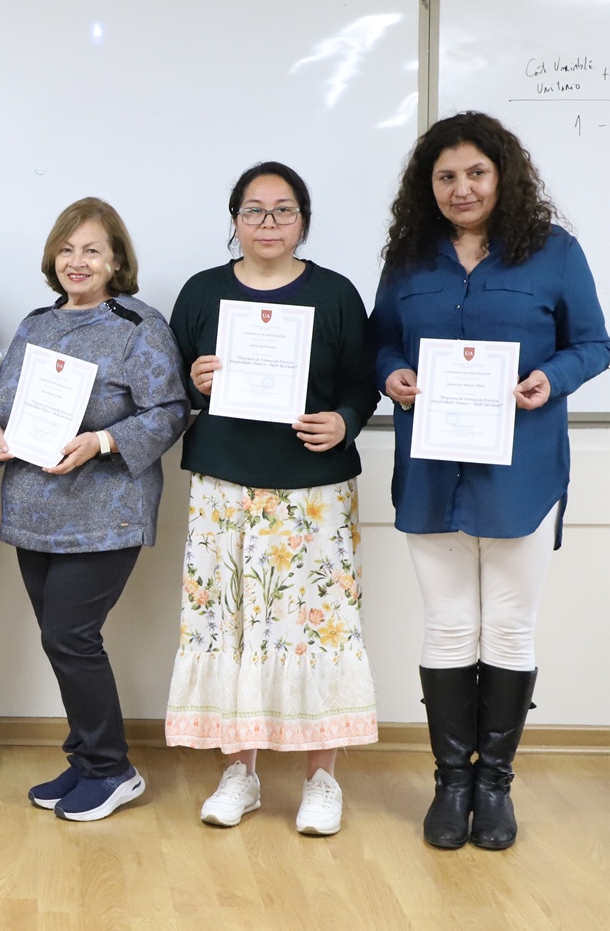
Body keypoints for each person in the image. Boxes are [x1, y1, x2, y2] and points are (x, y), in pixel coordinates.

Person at [372, 111, 609, 851]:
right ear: (428, 186)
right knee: (447, 624)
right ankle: (450, 782)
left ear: (502, 176)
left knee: (507, 624)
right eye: (445, 176)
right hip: (432, 466)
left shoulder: (554, 253)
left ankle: (494, 786)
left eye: (476, 172)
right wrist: (392, 375)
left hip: (524, 467)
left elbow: (593, 344)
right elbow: (383, 340)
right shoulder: (410, 259)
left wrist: (550, 377)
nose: (461, 187)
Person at [163, 161, 380, 837]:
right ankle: (241, 772)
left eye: (283, 210)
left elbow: (361, 383)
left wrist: (343, 419)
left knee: (316, 626)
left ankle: (322, 779)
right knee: (231, 622)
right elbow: (174, 387)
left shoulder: (337, 294)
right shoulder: (201, 293)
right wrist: (196, 382)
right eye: (254, 211)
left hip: (313, 489)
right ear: (234, 222)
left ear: (303, 222)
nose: (268, 223)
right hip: (224, 484)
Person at [0, 197, 188, 822]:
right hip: (33, 506)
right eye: (67, 249)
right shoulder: (35, 324)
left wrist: (102, 440)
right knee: (60, 640)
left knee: (70, 635)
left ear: (117, 260)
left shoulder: (138, 326)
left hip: (106, 508)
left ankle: (112, 768)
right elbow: (4, 402)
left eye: (92, 249)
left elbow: (171, 410)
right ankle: (84, 759)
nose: (78, 261)